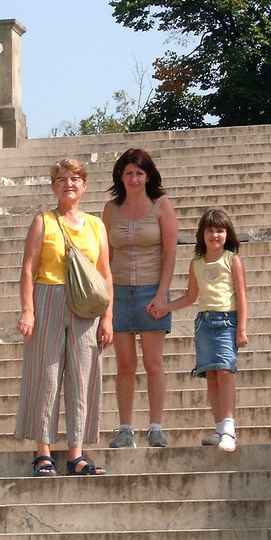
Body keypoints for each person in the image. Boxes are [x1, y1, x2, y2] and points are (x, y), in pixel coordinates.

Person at [15, 159, 113, 476]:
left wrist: (108, 318)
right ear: (53, 186)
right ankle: (43, 452)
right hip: (48, 297)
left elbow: (105, 274)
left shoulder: (96, 225)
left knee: (83, 378)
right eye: (61, 179)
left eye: (74, 178)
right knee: (45, 375)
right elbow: (28, 268)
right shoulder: (42, 220)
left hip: (86, 305)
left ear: (84, 185)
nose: (68, 184)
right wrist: (28, 310)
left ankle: (76, 453)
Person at [102, 148, 178, 449]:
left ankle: (156, 426)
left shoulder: (162, 205)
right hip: (119, 292)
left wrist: (161, 295)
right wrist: (106, 300)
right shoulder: (111, 209)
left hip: (151, 291)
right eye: (128, 173)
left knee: (153, 363)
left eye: (139, 173)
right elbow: (105, 255)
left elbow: (170, 253)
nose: (134, 179)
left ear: (148, 176)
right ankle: (125, 429)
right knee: (124, 364)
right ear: (120, 177)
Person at [159, 209, 248, 452]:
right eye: (209, 230)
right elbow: (191, 296)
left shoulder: (232, 260)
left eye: (220, 230)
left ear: (227, 234)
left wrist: (241, 329)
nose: (214, 235)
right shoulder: (196, 263)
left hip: (227, 321)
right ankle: (219, 428)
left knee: (225, 372)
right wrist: (166, 307)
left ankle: (229, 429)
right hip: (204, 324)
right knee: (211, 375)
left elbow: (241, 296)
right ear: (202, 235)